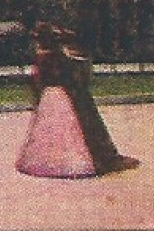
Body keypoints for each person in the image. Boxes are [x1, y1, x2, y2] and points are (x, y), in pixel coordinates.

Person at [16, 23, 136, 177]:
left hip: (50, 97)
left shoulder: (42, 58)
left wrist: (38, 99)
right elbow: (72, 76)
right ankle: (94, 159)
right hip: (64, 95)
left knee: (52, 131)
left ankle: (47, 161)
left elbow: (37, 81)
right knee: (76, 128)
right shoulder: (60, 56)